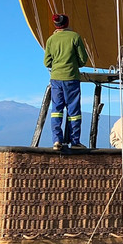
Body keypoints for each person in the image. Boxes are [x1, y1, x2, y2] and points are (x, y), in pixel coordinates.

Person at [43, 13, 88, 150]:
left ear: (56, 25)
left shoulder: (51, 40)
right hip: (71, 78)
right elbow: (83, 60)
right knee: (74, 111)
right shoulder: (75, 37)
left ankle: (57, 140)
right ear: (67, 23)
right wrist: (73, 64)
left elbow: (47, 62)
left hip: (56, 79)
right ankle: (75, 141)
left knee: (56, 110)